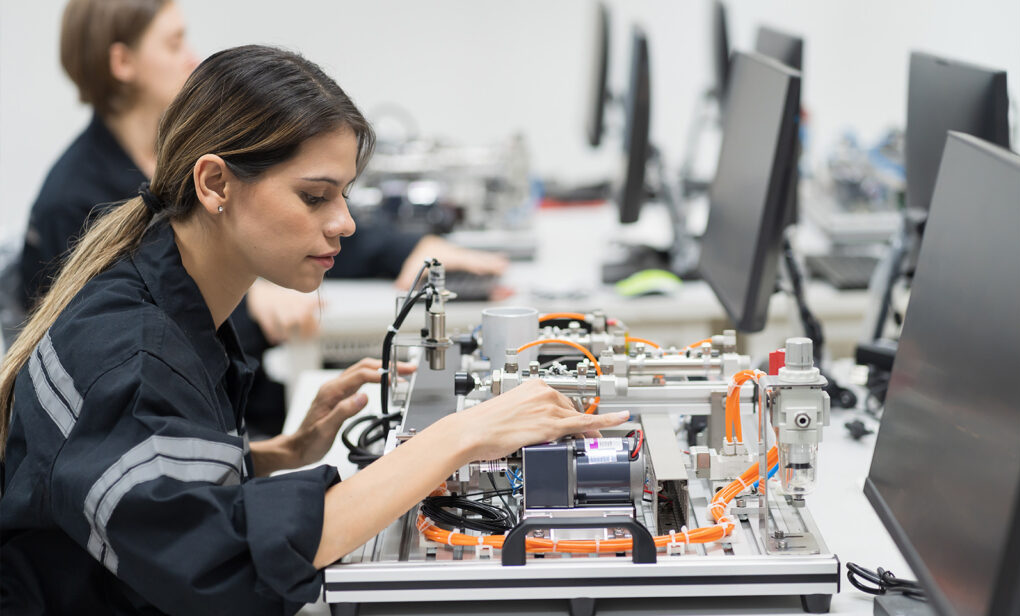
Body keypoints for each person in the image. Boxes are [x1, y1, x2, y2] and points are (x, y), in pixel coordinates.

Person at [0, 45, 626, 614]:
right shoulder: (132, 353)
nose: (345, 223)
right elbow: (226, 561)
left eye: (345, 195)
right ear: (215, 183)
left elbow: (152, 495)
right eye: (315, 197)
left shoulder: (166, 296)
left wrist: (277, 456)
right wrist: (463, 436)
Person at [20, 0, 508, 437]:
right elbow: (207, 524)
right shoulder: (79, 208)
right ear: (212, 185)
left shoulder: (166, 165)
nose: (190, 57)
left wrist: (409, 248)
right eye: (173, 43)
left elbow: (293, 215)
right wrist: (452, 441)